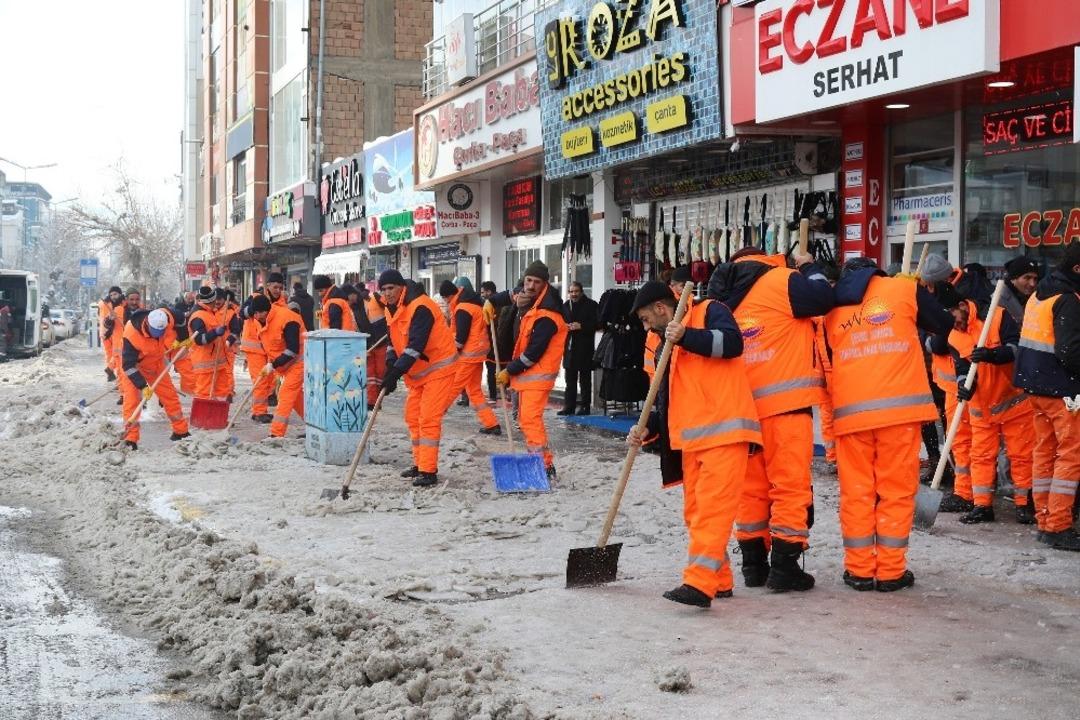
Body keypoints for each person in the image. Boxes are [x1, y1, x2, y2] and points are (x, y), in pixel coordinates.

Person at [627, 280, 762, 608]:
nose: (645, 327)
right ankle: (719, 580)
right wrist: (648, 429)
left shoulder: (710, 311)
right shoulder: (664, 345)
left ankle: (699, 583)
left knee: (712, 513)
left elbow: (732, 344)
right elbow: (667, 399)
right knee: (696, 514)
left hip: (725, 433)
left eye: (646, 319)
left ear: (661, 308)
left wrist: (686, 336)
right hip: (692, 441)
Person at [707, 247, 835, 592]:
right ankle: (785, 566)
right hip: (785, 405)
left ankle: (753, 565)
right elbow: (823, 298)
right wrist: (810, 267)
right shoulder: (782, 280)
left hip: (742, 410)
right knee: (789, 485)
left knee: (751, 490)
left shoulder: (721, 298)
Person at [825, 257, 953, 592]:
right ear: (877, 272)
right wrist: (917, 294)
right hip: (899, 413)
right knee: (895, 491)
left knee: (857, 493)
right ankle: (890, 572)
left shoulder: (832, 305)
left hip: (852, 414)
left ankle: (859, 570)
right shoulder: (902, 289)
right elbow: (943, 323)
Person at [939, 292, 1034, 525]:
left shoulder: (998, 317)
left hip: (1014, 403)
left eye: (953, 316)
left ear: (962, 306)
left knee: (1022, 456)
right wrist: (965, 386)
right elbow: (962, 369)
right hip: (981, 408)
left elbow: (1016, 349)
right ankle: (982, 506)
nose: (953, 323)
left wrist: (993, 355)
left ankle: (1024, 505)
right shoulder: (954, 336)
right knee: (980, 456)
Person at [1013, 244, 1080, 551]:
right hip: (1062, 390)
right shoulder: (1068, 299)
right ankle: (1058, 525)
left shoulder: (1040, 295)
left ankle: (1044, 519)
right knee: (1070, 456)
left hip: (1037, 387)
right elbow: (1069, 351)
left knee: (1044, 453)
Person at [379, 270, 459, 487]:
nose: (387, 293)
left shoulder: (420, 306)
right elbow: (393, 342)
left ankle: (428, 471)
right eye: (384, 289)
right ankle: (419, 463)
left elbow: (415, 346)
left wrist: (395, 373)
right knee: (413, 416)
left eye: (391, 288)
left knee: (428, 418)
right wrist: (390, 364)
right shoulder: (390, 309)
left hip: (439, 368)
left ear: (401, 287)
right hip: (419, 372)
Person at [494, 262, 567, 481]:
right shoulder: (532, 299)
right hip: (527, 377)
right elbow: (509, 293)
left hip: (538, 376)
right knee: (526, 419)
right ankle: (539, 461)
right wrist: (490, 302)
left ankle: (544, 466)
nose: (531, 285)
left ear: (545, 284)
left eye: (536, 282)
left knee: (529, 419)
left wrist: (509, 370)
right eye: (528, 280)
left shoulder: (547, 314)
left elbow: (533, 353)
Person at [118, 308, 191, 450]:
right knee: (132, 402)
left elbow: (181, 319)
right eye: (156, 332)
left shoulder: (166, 317)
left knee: (170, 396)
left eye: (162, 332)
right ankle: (130, 438)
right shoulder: (132, 335)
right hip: (135, 367)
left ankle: (181, 431)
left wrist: (183, 338)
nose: (159, 335)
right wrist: (142, 386)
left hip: (155, 364)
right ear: (147, 324)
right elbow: (128, 366)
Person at [439, 278, 501, 435]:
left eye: (445, 299)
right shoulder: (472, 303)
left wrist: (452, 352)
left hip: (469, 355)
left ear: (448, 296)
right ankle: (491, 423)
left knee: (453, 385)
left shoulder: (463, 308)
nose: (445, 303)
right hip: (477, 353)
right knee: (474, 390)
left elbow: (461, 337)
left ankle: (434, 414)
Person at [247, 294, 305, 438]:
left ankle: (276, 433)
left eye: (258, 313)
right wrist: (270, 362)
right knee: (296, 399)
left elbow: (293, 350)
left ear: (266, 311)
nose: (256, 317)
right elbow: (271, 346)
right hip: (284, 365)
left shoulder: (288, 319)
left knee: (285, 394)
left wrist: (273, 365)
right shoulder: (261, 321)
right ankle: (315, 424)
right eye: (254, 313)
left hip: (299, 362)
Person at [240, 278, 285, 423]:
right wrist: (255, 309)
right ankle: (259, 412)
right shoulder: (255, 297)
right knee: (261, 379)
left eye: (280, 288)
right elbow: (242, 313)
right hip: (255, 347)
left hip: (270, 348)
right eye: (275, 287)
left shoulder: (281, 303)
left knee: (270, 380)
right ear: (268, 285)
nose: (278, 290)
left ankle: (262, 408)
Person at [560, 281, 599, 416]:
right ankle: (569, 406)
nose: (574, 294)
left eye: (576, 291)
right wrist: (565, 327)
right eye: (571, 292)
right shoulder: (565, 306)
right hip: (569, 348)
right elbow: (560, 323)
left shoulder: (591, 305)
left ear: (581, 292)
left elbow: (598, 324)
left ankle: (585, 406)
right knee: (569, 380)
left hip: (584, 348)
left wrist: (581, 326)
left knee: (585, 380)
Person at [187, 286, 230, 400]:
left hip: (217, 363)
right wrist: (215, 333)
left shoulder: (210, 313)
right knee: (204, 394)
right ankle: (203, 413)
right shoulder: (198, 317)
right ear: (212, 300)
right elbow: (200, 340)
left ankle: (219, 410)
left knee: (222, 392)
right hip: (205, 365)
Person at [218, 289, 242, 401]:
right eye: (215, 299)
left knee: (227, 371)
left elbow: (236, 330)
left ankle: (229, 393)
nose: (217, 301)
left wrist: (229, 340)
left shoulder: (230, 313)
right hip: (214, 349)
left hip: (227, 348)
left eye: (219, 299)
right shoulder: (211, 311)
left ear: (224, 299)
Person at [1001, 256, 1040, 325]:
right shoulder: (999, 300)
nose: (1032, 284)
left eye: (1035, 279)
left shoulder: (1035, 298)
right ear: (1013, 279)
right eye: (1027, 278)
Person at [99, 287, 125, 379]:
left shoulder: (104, 303)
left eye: (115, 294)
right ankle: (113, 372)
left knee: (114, 354)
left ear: (120, 294)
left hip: (107, 332)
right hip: (110, 333)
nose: (113, 296)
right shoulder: (111, 305)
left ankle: (110, 370)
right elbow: (107, 319)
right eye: (111, 295)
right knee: (117, 354)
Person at [480, 281, 499, 400]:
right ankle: (496, 393)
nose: (482, 295)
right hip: (492, 342)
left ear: (489, 292)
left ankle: (494, 395)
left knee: (492, 369)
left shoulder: (496, 305)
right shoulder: (487, 304)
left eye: (483, 292)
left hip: (494, 342)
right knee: (493, 369)